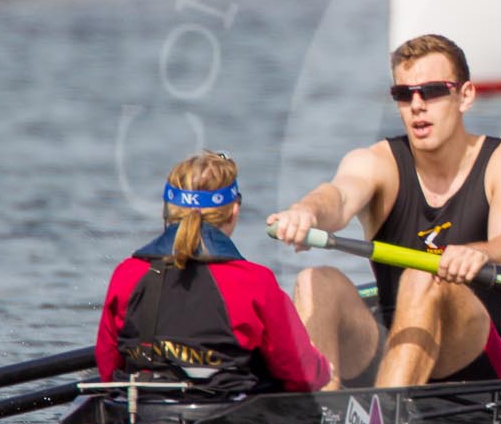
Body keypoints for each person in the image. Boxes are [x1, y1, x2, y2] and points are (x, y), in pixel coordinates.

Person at [266, 35, 501, 387]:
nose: (417, 105)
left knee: (421, 274)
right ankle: (320, 418)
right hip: (391, 344)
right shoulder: (377, 162)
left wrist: (478, 252)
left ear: (465, 95)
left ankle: (383, 418)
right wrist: (306, 212)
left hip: (474, 356)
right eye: (404, 95)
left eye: (433, 91)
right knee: (315, 280)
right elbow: (338, 197)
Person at [97, 151, 329, 398]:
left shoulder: (127, 273)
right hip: (225, 415)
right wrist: (324, 369)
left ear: (166, 210)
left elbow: (108, 368)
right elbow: (302, 377)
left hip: (138, 409)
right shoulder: (256, 282)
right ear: (234, 210)